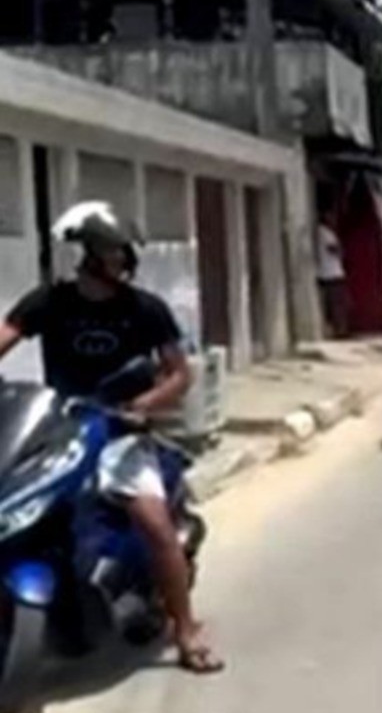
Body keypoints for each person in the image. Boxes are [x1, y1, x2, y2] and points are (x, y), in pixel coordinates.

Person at [0, 202, 223, 674]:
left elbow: (177, 375)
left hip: (120, 430)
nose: (124, 261)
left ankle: (185, 630)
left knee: (156, 525)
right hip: (58, 428)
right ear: (92, 254)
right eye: (116, 253)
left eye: (124, 253)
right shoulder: (50, 302)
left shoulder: (144, 309)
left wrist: (142, 406)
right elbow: (6, 335)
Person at [316, 214, 347, 339]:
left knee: (332, 304)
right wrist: (341, 249)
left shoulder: (321, 232)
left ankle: (336, 329)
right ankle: (339, 330)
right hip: (333, 273)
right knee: (337, 304)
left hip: (327, 273)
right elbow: (335, 249)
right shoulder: (325, 233)